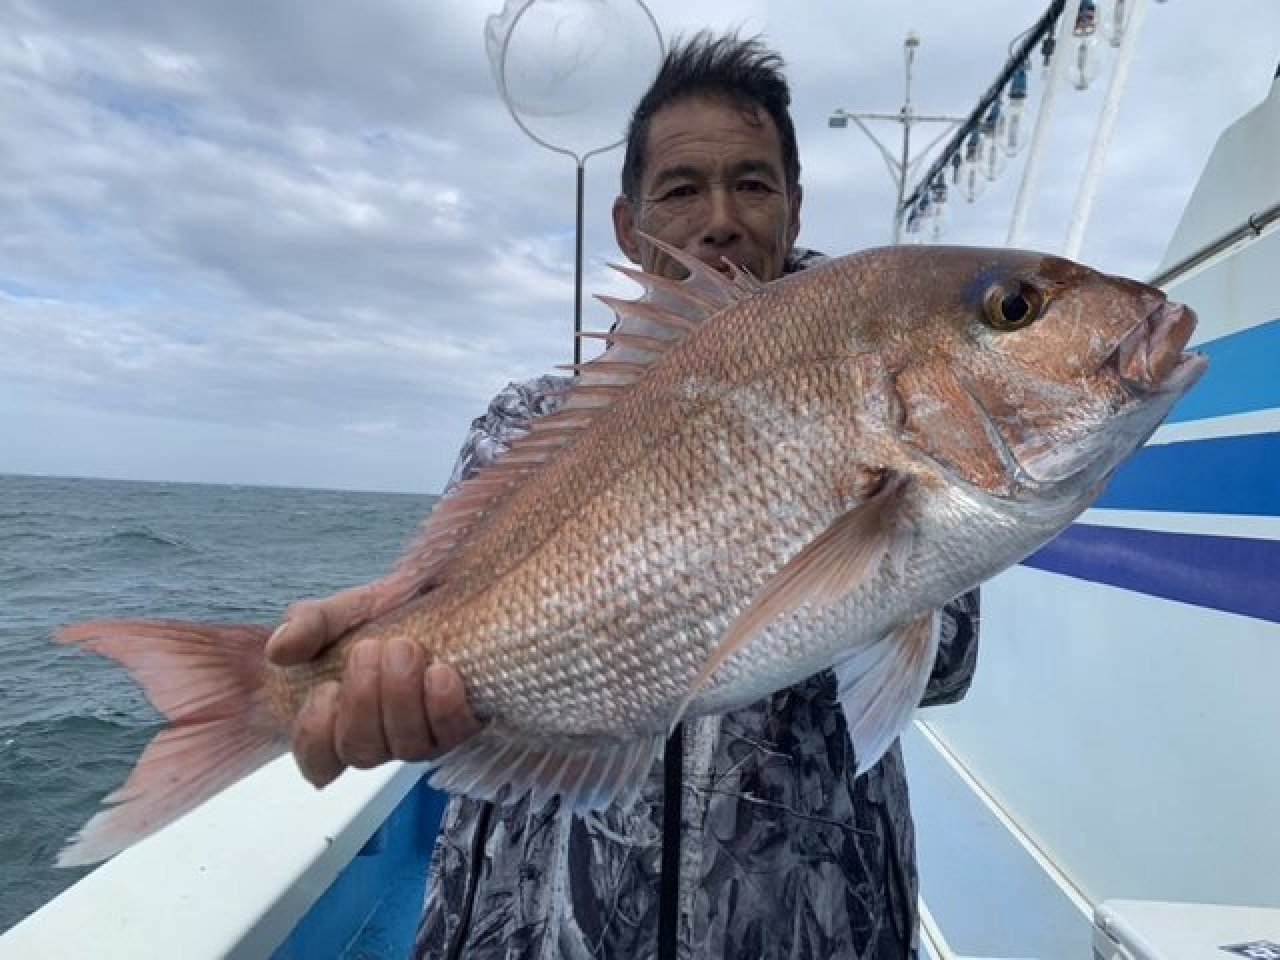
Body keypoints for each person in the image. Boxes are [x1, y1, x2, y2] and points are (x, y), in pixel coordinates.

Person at [267, 32, 980, 960]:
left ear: (794, 208)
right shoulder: (524, 421)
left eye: (753, 184)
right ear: (627, 223)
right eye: (681, 189)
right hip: (530, 926)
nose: (719, 218)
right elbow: (445, 605)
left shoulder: (875, 382)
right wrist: (389, 662)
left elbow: (950, 659)